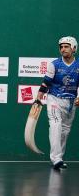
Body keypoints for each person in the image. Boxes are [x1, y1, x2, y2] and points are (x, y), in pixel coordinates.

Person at [35, 36, 79, 170]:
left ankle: (59, 158)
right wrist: (38, 99)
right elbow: (45, 83)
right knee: (55, 125)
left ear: (74, 48)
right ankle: (56, 158)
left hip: (70, 103)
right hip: (54, 99)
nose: (63, 49)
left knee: (65, 131)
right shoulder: (54, 64)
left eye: (66, 46)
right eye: (61, 47)